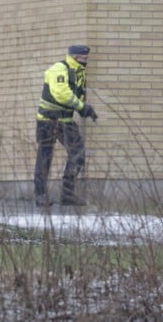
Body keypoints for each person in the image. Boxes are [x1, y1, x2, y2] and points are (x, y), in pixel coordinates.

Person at [34, 45, 98, 207]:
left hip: (66, 121)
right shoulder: (59, 68)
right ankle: (40, 195)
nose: (87, 61)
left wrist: (86, 109)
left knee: (78, 154)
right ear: (76, 57)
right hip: (48, 120)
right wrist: (81, 107)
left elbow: (77, 95)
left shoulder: (79, 73)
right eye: (84, 58)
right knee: (45, 158)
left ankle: (67, 194)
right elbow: (61, 93)